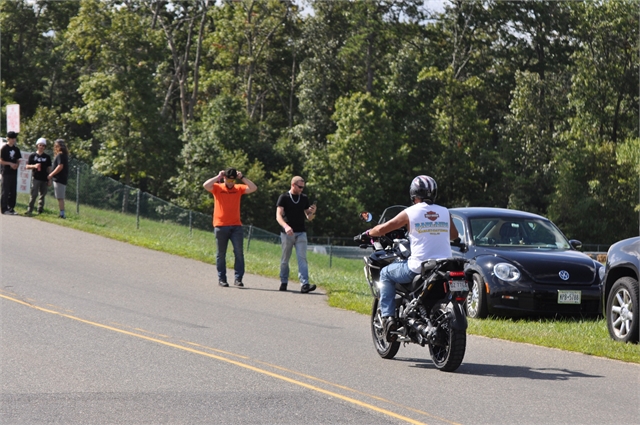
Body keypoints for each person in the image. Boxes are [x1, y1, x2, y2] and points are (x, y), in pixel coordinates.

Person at [364, 175, 458, 340]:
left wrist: (367, 233)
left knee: (386, 273)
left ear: (413, 194)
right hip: (444, 265)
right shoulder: (444, 211)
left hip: (419, 267)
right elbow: (453, 235)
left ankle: (388, 318)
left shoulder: (410, 212)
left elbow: (383, 229)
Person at [203, 168, 257, 287]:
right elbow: (205, 185)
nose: (230, 183)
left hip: (236, 226)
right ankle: (222, 279)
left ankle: (238, 279)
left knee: (239, 253)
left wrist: (242, 178)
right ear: (224, 179)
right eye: (228, 180)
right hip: (220, 226)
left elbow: (253, 188)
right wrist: (218, 177)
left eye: (233, 180)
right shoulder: (217, 188)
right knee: (221, 254)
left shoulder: (238, 189)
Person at [275, 176, 318, 293]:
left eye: (303, 187)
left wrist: (312, 212)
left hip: (301, 233)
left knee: (302, 258)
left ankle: (305, 284)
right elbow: (278, 215)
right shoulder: (283, 197)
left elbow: (308, 217)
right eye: (299, 187)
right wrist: (286, 226)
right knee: (285, 258)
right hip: (287, 233)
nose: (301, 189)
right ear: (293, 185)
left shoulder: (303, 198)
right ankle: (283, 281)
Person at [25, 138, 52, 215]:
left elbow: (49, 168)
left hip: (45, 178)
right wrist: (34, 166)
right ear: (37, 145)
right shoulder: (33, 156)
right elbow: (27, 166)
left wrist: (50, 178)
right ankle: (30, 209)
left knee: (42, 195)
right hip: (36, 177)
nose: (42, 147)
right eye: (40, 145)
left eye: (43, 145)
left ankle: (40, 210)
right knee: (34, 194)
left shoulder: (47, 157)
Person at [1, 131, 22, 215]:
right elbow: (1, 161)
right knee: (5, 190)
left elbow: (18, 159)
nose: (13, 140)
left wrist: (16, 165)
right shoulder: (4, 148)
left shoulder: (16, 149)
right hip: (6, 172)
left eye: (14, 138)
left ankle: (11, 207)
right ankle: (4, 208)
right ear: (8, 139)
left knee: (13, 191)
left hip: (14, 172)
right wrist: (9, 163)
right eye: (12, 138)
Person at [47, 139, 69, 219]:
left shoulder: (60, 155)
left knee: (60, 197)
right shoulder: (64, 155)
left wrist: (51, 175)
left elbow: (60, 166)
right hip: (60, 178)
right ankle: (61, 212)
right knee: (59, 197)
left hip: (59, 178)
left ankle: (62, 214)